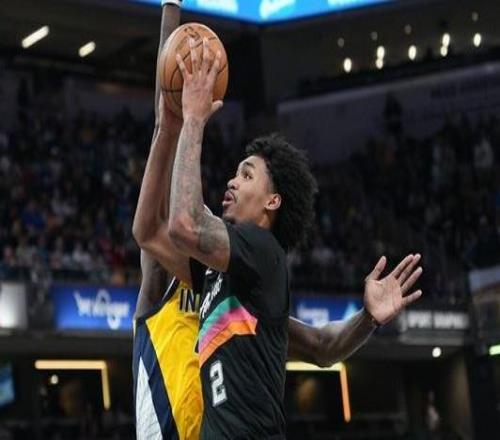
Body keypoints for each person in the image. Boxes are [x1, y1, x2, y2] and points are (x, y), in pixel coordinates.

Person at [132, 1, 424, 439]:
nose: (232, 181)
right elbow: (148, 231)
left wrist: (192, 119)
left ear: (272, 201)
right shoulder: (228, 284)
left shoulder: (264, 254)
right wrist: (368, 318)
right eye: (236, 173)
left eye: (246, 175)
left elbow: (184, 225)